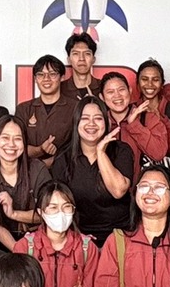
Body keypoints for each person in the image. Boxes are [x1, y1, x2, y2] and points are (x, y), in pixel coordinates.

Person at [49, 98, 135, 242]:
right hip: (78, 237)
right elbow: (60, 204)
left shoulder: (121, 151)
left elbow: (118, 191)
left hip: (119, 236)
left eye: (98, 118)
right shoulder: (63, 157)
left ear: (106, 122)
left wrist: (100, 153)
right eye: (85, 118)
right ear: (76, 122)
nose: (91, 124)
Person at [0, 114, 46, 250]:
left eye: (18, 139)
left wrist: (14, 214)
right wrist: (17, 250)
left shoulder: (37, 169)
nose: (11, 144)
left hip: (38, 239)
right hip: (3, 243)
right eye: (5, 138)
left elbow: (48, 213)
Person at [122, 59, 170, 167]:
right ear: (137, 83)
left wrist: (163, 121)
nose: (150, 84)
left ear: (162, 84)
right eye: (144, 79)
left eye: (155, 79)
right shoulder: (130, 112)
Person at [18, 55, 77, 165]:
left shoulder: (75, 107)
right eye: (41, 74)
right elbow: (17, 147)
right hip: (29, 171)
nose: (46, 79)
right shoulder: (23, 109)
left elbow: (80, 146)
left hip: (65, 170)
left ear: (62, 77)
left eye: (52, 74)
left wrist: (54, 162)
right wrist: (40, 149)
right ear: (35, 79)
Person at [63, 31, 101, 98]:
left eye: (87, 54)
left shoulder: (103, 87)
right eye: (76, 54)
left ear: (93, 59)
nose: (81, 58)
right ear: (68, 60)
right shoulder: (60, 89)